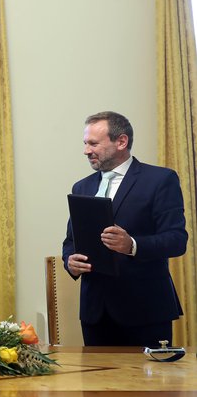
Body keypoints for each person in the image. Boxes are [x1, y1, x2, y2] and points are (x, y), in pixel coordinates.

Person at [62, 111, 186, 346]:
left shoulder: (160, 180)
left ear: (121, 142)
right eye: (85, 144)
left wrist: (133, 245)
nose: (86, 150)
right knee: (97, 382)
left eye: (93, 143)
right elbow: (70, 241)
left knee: (151, 383)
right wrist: (70, 261)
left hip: (145, 311)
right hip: (95, 312)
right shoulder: (82, 187)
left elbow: (177, 239)